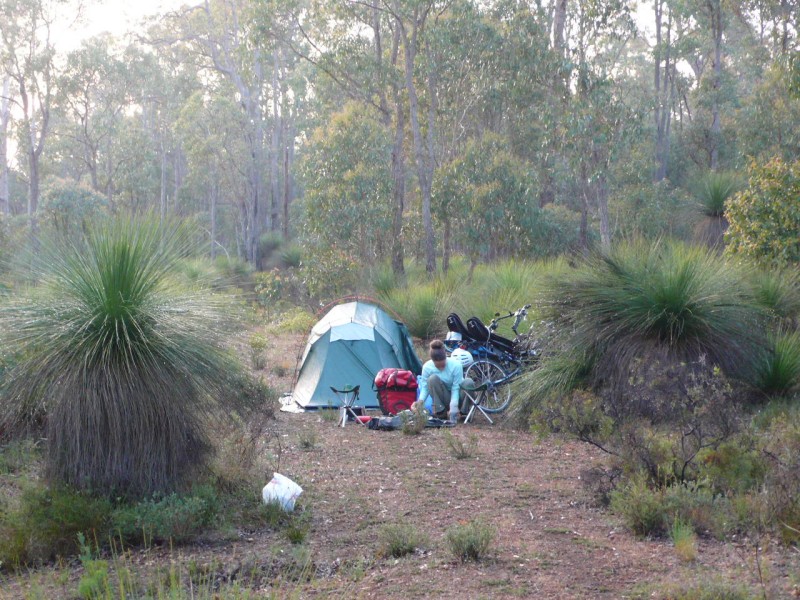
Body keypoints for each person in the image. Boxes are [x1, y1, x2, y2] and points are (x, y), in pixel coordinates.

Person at [413, 340, 475, 423]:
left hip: (458, 396)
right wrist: (420, 402)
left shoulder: (456, 365)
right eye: (437, 366)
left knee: (469, 382)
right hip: (443, 397)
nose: (441, 368)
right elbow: (424, 388)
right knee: (432, 379)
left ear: (446, 357)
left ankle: (463, 412)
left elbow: (456, 388)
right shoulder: (427, 367)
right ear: (432, 361)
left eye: (443, 365)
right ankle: (441, 412)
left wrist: (454, 406)